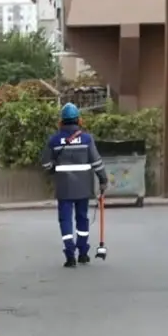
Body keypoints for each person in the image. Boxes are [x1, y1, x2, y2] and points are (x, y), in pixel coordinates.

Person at [40, 102, 109, 268]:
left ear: (61, 121)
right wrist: (103, 180)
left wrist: (54, 168)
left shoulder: (54, 140)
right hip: (83, 187)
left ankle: (70, 255)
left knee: (65, 220)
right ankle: (83, 253)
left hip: (64, 188)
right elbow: (96, 162)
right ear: (79, 120)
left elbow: (45, 164)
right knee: (82, 219)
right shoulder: (86, 139)